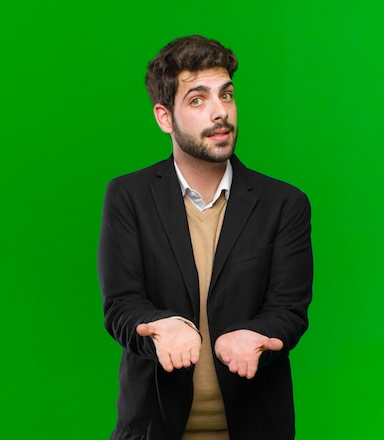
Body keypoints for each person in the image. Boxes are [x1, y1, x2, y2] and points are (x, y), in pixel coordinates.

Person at [98, 35, 313, 440]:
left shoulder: (284, 203)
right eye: (198, 100)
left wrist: (258, 335)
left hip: (255, 428)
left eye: (226, 95)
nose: (221, 113)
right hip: (153, 429)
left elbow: (289, 308)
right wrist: (158, 326)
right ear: (165, 117)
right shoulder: (128, 196)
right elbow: (121, 305)